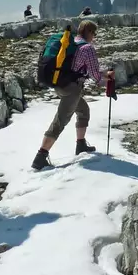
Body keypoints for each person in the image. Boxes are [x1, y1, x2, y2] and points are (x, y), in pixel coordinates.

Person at [31, 19, 115, 170]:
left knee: (83, 111)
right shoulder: (87, 48)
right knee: (60, 120)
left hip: (61, 84)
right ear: (89, 32)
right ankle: (40, 157)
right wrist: (106, 75)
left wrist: (102, 75)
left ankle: (81, 145)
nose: (94, 36)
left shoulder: (73, 43)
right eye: (94, 33)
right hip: (72, 88)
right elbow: (95, 75)